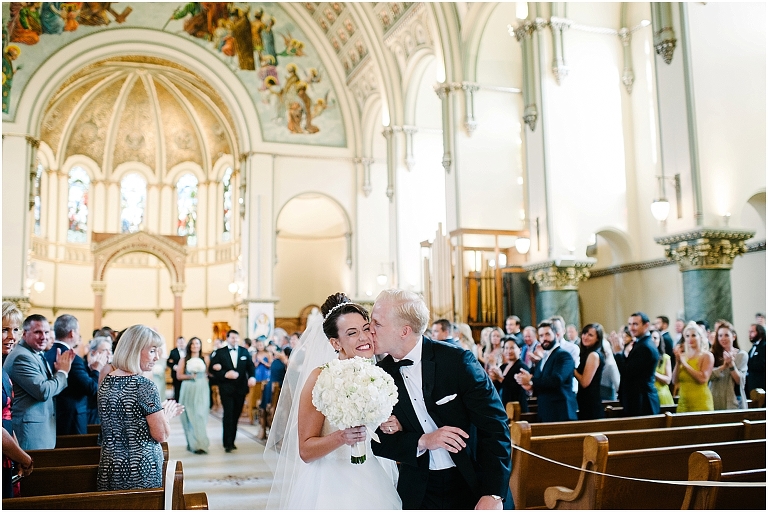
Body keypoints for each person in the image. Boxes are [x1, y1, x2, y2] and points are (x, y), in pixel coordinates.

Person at [370, 289, 511, 510]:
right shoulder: (380, 375)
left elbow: (495, 427)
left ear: (404, 331)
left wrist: (493, 493)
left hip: (471, 480)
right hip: (418, 489)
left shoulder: (456, 362)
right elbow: (377, 441)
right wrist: (423, 440)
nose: (370, 330)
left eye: (377, 323)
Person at [265, 293, 401, 509]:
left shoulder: (379, 374)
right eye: (352, 333)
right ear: (335, 342)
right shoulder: (321, 378)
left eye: (366, 329)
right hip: (330, 482)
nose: (364, 338)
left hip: (373, 474)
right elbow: (306, 451)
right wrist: (341, 437)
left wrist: (390, 424)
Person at [97, 325, 184, 490]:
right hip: (139, 468)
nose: (157, 357)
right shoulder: (143, 385)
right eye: (152, 351)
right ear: (135, 350)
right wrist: (166, 415)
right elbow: (161, 435)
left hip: (110, 465)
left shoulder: (107, 380)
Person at [3, 314, 74, 450]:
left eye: (46, 332)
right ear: (24, 334)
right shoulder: (21, 357)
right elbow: (43, 391)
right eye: (37, 332)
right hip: (30, 435)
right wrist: (62, 372)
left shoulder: (35, 352)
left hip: (41, 431)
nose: (44, 337)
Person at [45, 314, 107, 435]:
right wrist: (96, 370)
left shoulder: (46, 354)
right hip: (72, 419)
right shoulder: (73, 358)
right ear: (72, 333)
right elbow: (91, 389)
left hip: (53, 415)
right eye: (78, 331)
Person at [515, 321, 578, 423]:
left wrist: (531, 379)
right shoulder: (544, 358)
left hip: (561, 411)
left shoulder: (563, 356)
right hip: (545, 410)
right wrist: (530, 388)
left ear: (556, 335)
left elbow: (557, 380)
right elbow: (543, 384)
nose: (544, 338)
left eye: (547, 334)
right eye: (541, 335)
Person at [2, 302, 33, 499]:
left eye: (15, 329)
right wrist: (25, 459)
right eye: (4, 330)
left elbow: (7, 418)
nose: (12, 337)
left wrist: (16, 454)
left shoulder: (3, 370)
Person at [208, 329, 256, 452]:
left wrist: (252, 377)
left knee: (236, 415)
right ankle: (227, 443)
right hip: (226, 388)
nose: (235, 340)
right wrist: (225, 374)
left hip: (241, 388)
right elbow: (212, 370)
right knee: (228, 414)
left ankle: (232, 441)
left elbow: (250, 367)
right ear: (228, 339)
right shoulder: (220, 352)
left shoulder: (244, 351)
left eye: (237, 338)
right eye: (232, 338)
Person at [614, 313, 660, 417]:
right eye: (629, 324)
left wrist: (618, 353)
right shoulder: (641, 343)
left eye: (635, 324)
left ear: (646, 325)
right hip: (638, 400)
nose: (631, 328)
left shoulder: (645, 347)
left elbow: (627, 372)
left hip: (642, 402)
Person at [176, 336, 210, 454]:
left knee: (200, 415)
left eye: (198, 344)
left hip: (202, 388)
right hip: (189, 388)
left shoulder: (205, 358)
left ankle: (201, 443)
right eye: (193, 344)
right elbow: (179, 376)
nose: (195, 346)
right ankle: (193, 443)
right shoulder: (184, 359)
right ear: (190, 346)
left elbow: (208, 373)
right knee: (190, 415)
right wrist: (191, 376)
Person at [672, 322, 714, 413]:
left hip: (701, 401)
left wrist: (685, 364)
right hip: (683, 402)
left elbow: (702, 379)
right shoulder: (683, 356)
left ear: (700, 337)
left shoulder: (707, 356)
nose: (690, 338)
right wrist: (678, 363)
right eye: (687, 336)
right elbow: (674, 380)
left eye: (693, 335)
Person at [709, 322, 747, 410]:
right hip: (715, 397)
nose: (723, 338)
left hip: (733, 399)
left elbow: (740, 381)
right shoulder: (712, 354)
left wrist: (731, 364)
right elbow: (708, 376)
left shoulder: (741, 355)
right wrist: (723, 367)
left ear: (733, 336)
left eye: (726, 335)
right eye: (720, 335)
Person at [573, 323, 605, 420]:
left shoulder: (593, 355)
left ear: (598, 338)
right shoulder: (586, 353)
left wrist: (572, 369)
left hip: (591, 403)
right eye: (584, 333)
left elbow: (585, 382)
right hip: (585, 400)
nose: (585, 337)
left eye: (590, 335)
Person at [493, 341, 529, 412]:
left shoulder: (522, 366)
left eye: (512, 348)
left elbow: (517, 388)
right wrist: (493, 379)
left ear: (520, 350)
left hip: (516, 407)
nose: (509, 351)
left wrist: (500, 378)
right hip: (503, 405)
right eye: (506, 348)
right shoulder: (503, 367)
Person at [85, 336, 113, 424]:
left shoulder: (115, 369)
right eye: (105, 350)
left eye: (110, 350)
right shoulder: (88, 370)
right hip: (93, 415)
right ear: (93, 352)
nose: (109, 353)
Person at [650, 330, 674, 406]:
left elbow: (668, 380)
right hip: (647, 394)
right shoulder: (642, 357)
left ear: (660, 341)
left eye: (655, 338)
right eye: (650, 338)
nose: (653, 340)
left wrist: (653, 373)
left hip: (662, 394)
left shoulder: (665, 358)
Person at [745, 323, 766, 395]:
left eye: (752, 332)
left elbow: (763, 364)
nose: (749, 334)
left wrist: (746, 363)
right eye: (749, 332)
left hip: (760, 384)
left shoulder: (764, 346)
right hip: (752, 384)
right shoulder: (753, 347)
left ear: (759, 332)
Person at [166, 336, 187, 401]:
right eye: (179, 342)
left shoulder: (188, 351)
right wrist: (174, 366)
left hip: (186, 374)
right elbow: (169, 362)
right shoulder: (173, 351)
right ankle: (178, 402)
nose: (181, 343)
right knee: (177, 389)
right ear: (177, 343)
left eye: (182, 342)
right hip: (176, 374)